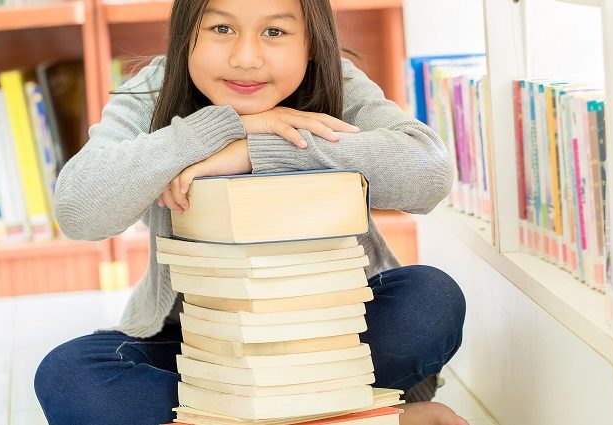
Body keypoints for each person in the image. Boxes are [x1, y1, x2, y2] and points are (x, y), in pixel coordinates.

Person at [33, 0, 467, 423]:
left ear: (311, 42)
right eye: (221, 29)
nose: (245, 58)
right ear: (187, 34)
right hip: (204, 349)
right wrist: (227, 126)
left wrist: (255, 150)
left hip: (334, 335)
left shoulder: (336, 78)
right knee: (69, 378)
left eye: (274, 31)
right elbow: (79, 208)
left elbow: (427, 172)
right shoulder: (155, 87)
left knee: (430, 300)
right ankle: (366, 417)